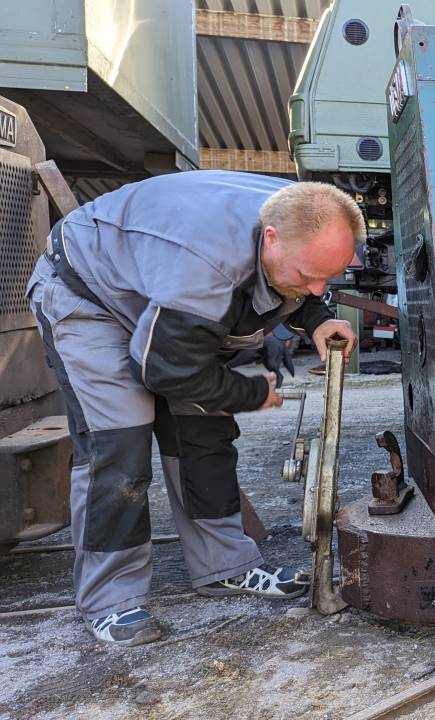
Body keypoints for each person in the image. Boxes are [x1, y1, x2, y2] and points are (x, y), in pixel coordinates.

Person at [25, 171, 362, 646]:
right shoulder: (209, 264)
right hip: (90, 294)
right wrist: (250, 393)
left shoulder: (302, 213)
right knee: (120, 443)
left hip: (162, 290)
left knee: (203, 432)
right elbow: (168, 373)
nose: (315, 287)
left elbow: (296, 276)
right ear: (269, 239)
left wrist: (320, 317)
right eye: (309, 278)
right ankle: (111, 599)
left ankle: (224, 567)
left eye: (329, 276)